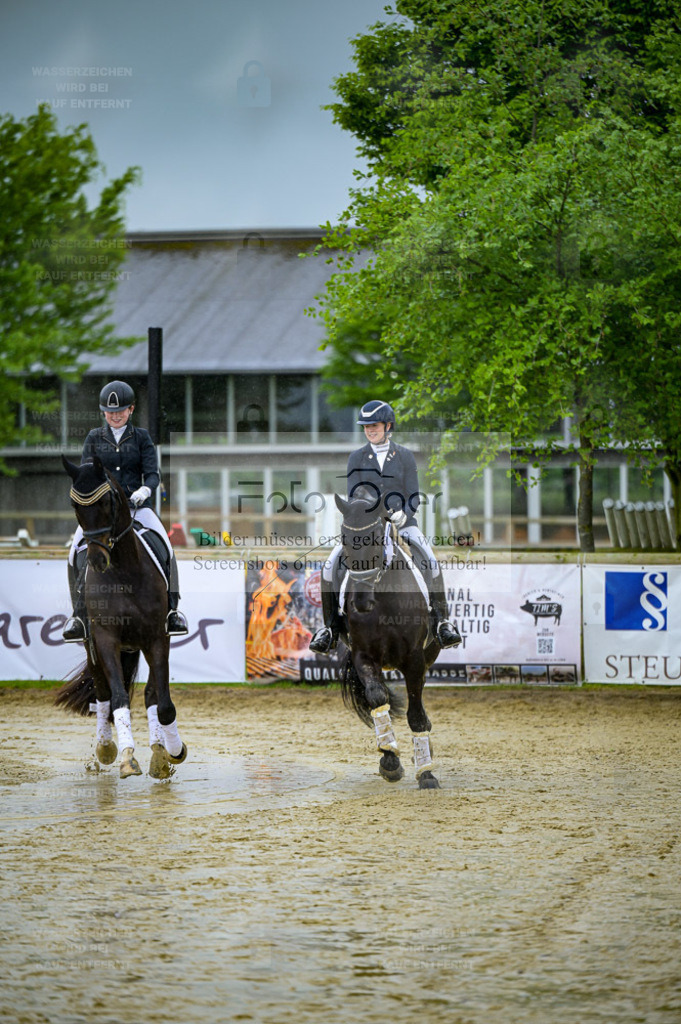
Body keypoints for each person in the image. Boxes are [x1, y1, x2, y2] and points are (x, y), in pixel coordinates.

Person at [309, 399, 462, 654]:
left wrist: (405, 513)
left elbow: (414, 493)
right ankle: (330, 629)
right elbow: (354, 496)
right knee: (328, 566)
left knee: (432, 562)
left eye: (375, 425)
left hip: (402, 524)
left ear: (388, 425)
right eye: (366, 426)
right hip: (368, 527)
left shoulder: (404, 456)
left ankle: (442, 622)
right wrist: (370, 516)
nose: (370, 430)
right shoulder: (356, 457)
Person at [62, 380, 189, 641]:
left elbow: (153, 474)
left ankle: (173, 611)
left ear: (131, 409)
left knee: (166, 546)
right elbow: (86, 474)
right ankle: (79, 615)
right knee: (75, 550)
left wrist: (144, 491)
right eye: (110, 412)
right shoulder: (94, 438)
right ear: (103, 413)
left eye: (120, 411)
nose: (115, 416)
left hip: (137, 508)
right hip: (102, 512)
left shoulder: (142, 437)